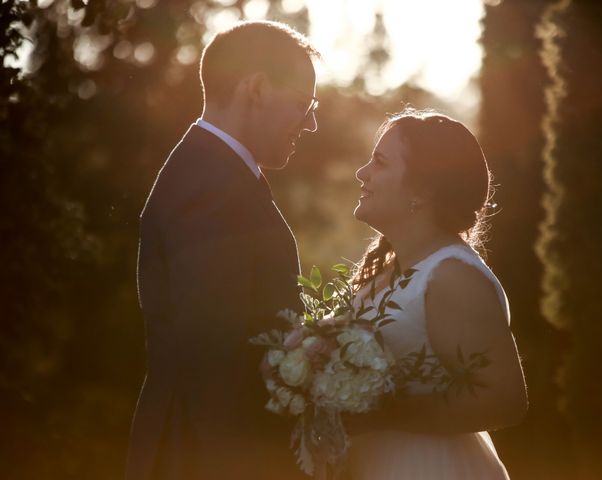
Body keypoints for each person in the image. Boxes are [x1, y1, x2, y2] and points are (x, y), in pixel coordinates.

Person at [126, 21, 319, 480]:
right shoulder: (210, 188)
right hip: (208, 454)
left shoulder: (217, 172)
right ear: (256, 88)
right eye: (302, 104)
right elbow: (217, 356)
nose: (310, 122)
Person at [346, 108, 528, 479]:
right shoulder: (387, 267)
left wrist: (380, 411)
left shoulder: (452, 277)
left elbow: (504, 401)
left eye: (379, 162)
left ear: (422, 191)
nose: (361, 173)